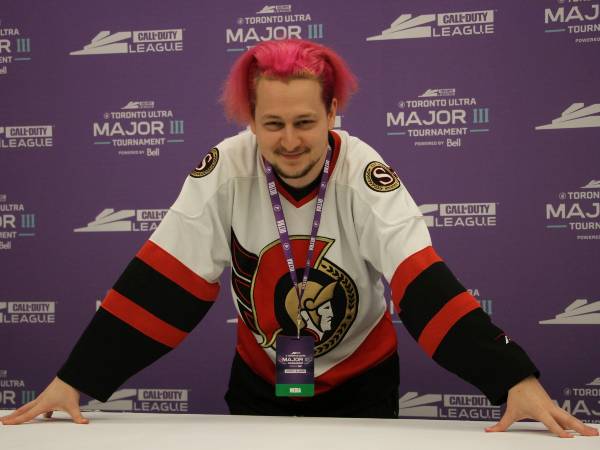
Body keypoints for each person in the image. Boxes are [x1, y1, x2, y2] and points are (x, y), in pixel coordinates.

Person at [1, 39, 597, 438]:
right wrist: (75, 379)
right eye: (273, 124)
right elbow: (163, 284)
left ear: (333, 111)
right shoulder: (226, 169)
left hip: (362, 380)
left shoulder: (365, 172)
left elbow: (420, 282)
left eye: (306, 122)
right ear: (249, 119)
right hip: (262, 379)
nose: (290, 141)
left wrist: (511, 378)